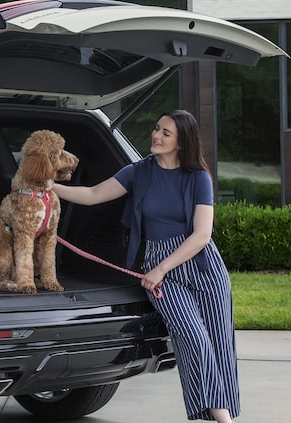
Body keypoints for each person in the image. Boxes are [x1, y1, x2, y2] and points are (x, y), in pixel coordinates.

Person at [51, 110, 239, 422]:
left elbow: (202, 235)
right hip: (160, 268)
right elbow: (93, 194)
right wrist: (47, 186)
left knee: (219, 344)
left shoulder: (198, 178)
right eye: (156, 128)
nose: (157, 135)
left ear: (182, 141)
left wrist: (162, 268)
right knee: (192, 337)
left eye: (166, 133)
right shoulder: (139, 171)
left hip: (201, 265)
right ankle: (224, 421)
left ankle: (222, 417)